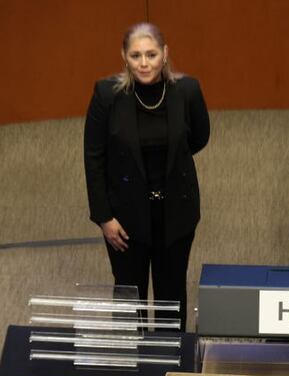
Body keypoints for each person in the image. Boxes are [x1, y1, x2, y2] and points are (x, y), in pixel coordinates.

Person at [84, 22, 209, 331]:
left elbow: (199, 137)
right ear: (124, 57)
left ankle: (170, 367)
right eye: (136, 55)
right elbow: (94, 158)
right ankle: (133, 365)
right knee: (130, 295)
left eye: (151, 54)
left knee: (171, 294)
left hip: (175, 213)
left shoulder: (188, 90)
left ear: (165, 54)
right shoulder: (106, 95)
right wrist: (104, 217)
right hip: (123, 219)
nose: (144, 63)